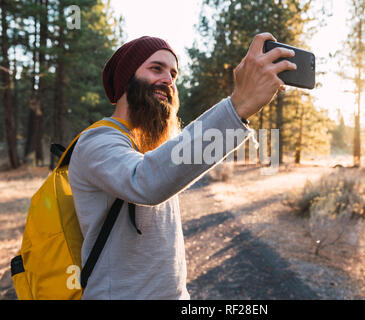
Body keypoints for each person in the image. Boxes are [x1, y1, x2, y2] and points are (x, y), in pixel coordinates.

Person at [68, 32, 296, 300]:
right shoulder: (96, 141)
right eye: (156, 68)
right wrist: (238, 107)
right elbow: (145, 181)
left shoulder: (153, 149)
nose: (168, 81)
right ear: (125, 80)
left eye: (174, 75)